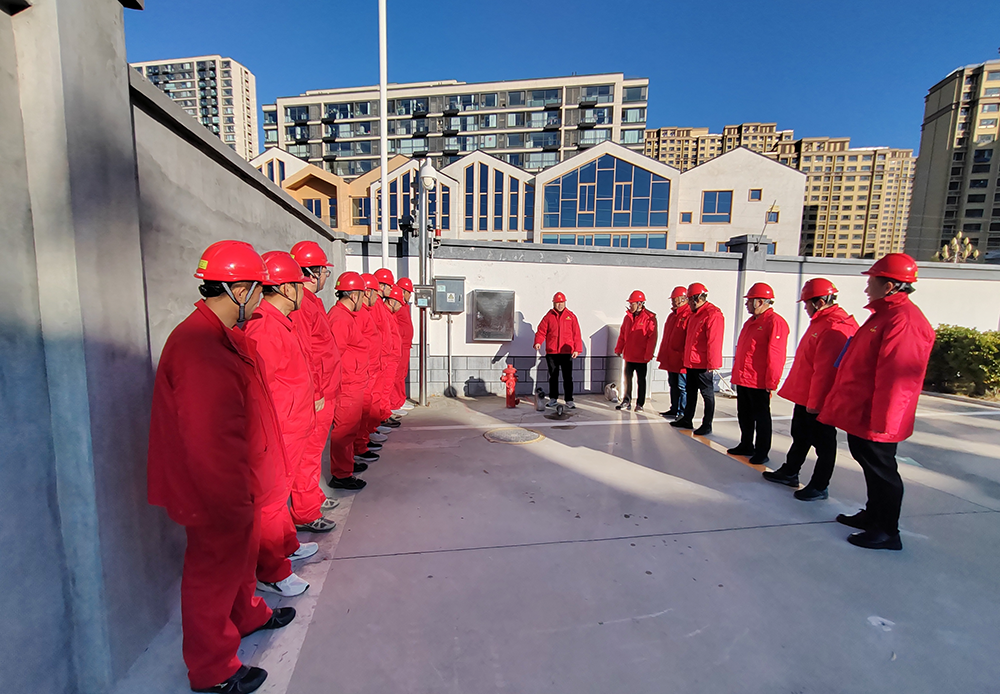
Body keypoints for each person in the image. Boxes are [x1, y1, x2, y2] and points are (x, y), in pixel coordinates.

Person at [148, 241, 295, 694]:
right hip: (216, 489)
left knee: (237, 561)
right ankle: (212, 669)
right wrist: (230, 497)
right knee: (211, 574)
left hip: (238, 481)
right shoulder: (199, 347)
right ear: (239, 290)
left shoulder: (222, 337)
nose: (262, 298)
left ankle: (246, 615)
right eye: (258, 289)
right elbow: (209, 437)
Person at [819, 254, 935, 551]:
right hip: (863, 409)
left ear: (890, 286)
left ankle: (887, 531)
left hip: (877, 415)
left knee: (883, 471)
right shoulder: (885, 315)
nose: (867, 287)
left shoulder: (904, 321)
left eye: (872, 281)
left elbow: (897, 376)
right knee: (870, 465)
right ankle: (873, 515)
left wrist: (886, 421)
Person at [242, 251, 318, 598]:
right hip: (279, 429)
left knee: (281, 495)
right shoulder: (265, 328)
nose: (305, 289)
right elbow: (260, 389)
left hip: (292, 425)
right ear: (287, 288)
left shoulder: (280, 323)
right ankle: (271, 570)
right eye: (300, 284)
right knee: (271, 502)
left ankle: (287, 545)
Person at [764, 278, 858, 500]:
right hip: (806, 394)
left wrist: (815, 404)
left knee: (824, 443)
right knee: (800, 435)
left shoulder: (834, 326)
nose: (805, 308)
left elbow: (826, 371)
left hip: (819, 399)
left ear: (819, 302)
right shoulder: (821, 322)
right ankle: (790, 471)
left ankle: (819, 485)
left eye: (806, 303)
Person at [289, 240, 342, 524]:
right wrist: (318, 391)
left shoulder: (311, 302)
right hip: (317, 394)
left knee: (313, 452)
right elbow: (306, 353)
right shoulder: (301, 305)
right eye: (323, 271)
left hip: (325, 390)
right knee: (308, 455)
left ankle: (313, 498)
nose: (325, 276)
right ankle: (306, 513)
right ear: (311, 272)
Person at [727, 283, 790, 465]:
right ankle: (746, 444)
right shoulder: (751, 322)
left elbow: (776, 355)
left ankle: (762, 451)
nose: (747, 304)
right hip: (744, 378)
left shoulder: (774, 322)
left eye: (750, 301)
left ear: (760, 302)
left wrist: (771, 381)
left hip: (758, 380)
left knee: (761, 418)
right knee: (744, 414)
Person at [326, 272, 370, 490]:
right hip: (347, 384)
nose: (364, 299)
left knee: (350, 428)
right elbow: (335, 355)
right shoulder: (340, 319)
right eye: (362, 295)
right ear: (354, 296)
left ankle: (347, 464)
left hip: (353, 381)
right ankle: (341, 475)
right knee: (344, 430)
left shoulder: (344, 317)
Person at [672, 282, 724, 436]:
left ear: (697, 298)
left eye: (689, 299)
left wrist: (712, 363)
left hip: (703, 363)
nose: (688, 303)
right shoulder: (695, 315)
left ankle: (707, 424)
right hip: (692, 361)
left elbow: (714, 341)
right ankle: (687, 419)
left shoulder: (712, 314)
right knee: (691, 391)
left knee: (707, 394)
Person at [353, 274, 386, 464]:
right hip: (361, 372)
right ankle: (359, 446)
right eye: (376, 292)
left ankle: (364, 440)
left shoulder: (365, 312)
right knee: (360, 412)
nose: (378, 296)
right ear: (367, 292)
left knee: (367, 409)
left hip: (370, 368)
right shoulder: (357, 314)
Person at [533, 291, 583, 408]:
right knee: (553, 377)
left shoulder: (571, 316)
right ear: (553, 303)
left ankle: (569, 399)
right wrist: (538, 342)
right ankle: (553, 398)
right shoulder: (548, 317)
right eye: (557, 303)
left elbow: (576, 334)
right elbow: (541, 331)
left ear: (565, 303)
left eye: (562, 302)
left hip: (566, 352)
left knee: (567, 377)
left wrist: (577, 349)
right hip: (552, 353)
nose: (560, 305)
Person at [614, 290, 658, 412]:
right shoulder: (627, 318)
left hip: (641, 356)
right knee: (627, 379)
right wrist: (619, 348)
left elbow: (652, 338)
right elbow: (622, 335)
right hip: (629, 355)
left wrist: (648, 354)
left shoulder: (649, 318)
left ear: (640, 304)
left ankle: (640, 403)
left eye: (632, 303)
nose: (630, 306)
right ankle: (626, 400)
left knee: (641, 381)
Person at [655, 286, 692, 420]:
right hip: (671, 357)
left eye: (674, 299)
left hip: (681, 359)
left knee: (682, 386)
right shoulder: (672, 316)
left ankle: (682, 412)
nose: (672, 302)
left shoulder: (688, 315)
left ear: (683, 299)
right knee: (673, 384)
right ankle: (674, 408)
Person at [391, 277, 415, 413]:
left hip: (405, 345)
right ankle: (395, 403)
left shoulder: (404, 306)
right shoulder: (397, 306)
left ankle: (399, 399)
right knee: (397, 374)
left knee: (402, 374)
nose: (410, 295)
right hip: (400, 345)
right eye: (408, 292)